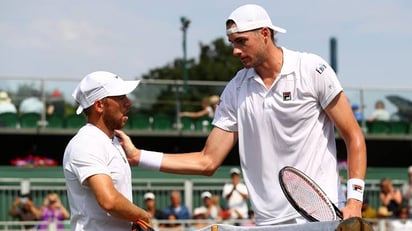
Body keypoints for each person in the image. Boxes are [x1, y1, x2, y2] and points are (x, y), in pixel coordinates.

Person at [115, 3, 367, 226]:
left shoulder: (312, 69)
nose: (235, 50)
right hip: (268, 222)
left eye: (241, 41)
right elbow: (207, 161)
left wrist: (354, 201)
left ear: (265, 34)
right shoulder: (235, 89)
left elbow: (353, 136)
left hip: (321, 218)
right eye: (232, 43)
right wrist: (138, 157)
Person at [62, 71, 152, 231]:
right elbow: (109, 200)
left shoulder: (113, 141)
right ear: (99, 105)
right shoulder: (87, 142)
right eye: (120, 97)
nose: (128, 103)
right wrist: (143, 216)